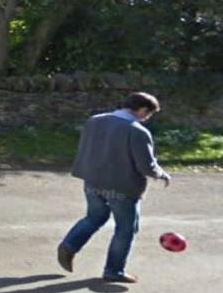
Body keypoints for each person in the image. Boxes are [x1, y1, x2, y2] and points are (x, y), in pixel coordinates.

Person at [57, 92, 171, 283]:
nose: (147, 118)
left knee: (95, 217)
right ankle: (114, 270)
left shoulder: (94, 120)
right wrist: (161, 174)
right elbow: (146, 165)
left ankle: (69, 245)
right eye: (148, 114)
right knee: (126, 229)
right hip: (122, 186)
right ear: (142, 110)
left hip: (92, 181)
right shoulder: (137, 131)